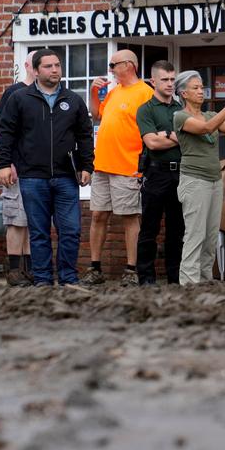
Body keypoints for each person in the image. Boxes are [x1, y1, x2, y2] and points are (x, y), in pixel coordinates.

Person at [0, 49, 93, 286]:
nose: (54, 70)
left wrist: (86, 166)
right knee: (39, 233)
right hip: (32, 177)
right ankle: (42, 280)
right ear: (36, 71)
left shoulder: (73, 100)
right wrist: (5, 164)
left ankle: (69, 278)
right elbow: (6, 133)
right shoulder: (19, 98)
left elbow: (85, 135)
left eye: (57, 65)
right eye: (48, 66)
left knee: (70, 231)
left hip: (66, 177)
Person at [83, 50, 154, 286]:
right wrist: (94, 92)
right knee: (98, 215)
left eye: (114, 64)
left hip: (128, 166)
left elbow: (149, 131)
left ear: (130, 65)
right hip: (102, 165)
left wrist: (143, 165)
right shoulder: (114, 91)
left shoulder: (145, 93)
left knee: (130, 218)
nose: (110, 68)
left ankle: (131, 269)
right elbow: (97, 115)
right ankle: (95, 268)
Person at [174, 72, 225, 285]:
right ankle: (189, 283)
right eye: (196, 88)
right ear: (184, 93)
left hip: (214, 181)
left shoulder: (209, 115)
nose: (201, 91)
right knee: (195, 234)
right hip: (194, 181)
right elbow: (206, 129)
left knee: (209, 237)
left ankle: (205, 280)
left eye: (201, 87)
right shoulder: (180, 117)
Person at [135, 60, 185, 285]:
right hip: (156, 175)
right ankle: (146, 278)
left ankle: (175, 278)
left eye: (173, 79)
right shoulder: (145, 109)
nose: (170, 84)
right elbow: (152, 143)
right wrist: (176, 136)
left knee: (177, 230)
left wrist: (165, 135)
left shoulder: (181, 108)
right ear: (153, 81)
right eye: (164, 79)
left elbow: (190, 142)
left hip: (180, 175)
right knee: (149, 229)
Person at [0, 50, 36, 286]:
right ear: (28, 66)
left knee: (33, 221)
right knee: (16, 219)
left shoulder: (46, 94)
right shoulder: (13, 92)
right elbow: (2, 131)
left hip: (38, 170)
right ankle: (13, 270)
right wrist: (6, 162)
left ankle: (31, 270)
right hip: (17, 167)